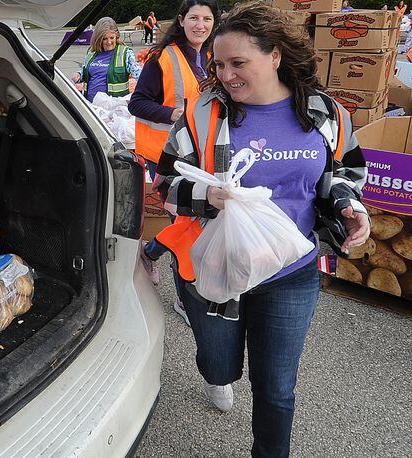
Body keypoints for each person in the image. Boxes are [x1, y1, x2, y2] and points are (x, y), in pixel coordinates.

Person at [152, 3, 370, 456]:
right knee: (218, 363)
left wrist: (349, 206)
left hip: (291, 274)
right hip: (214, 268)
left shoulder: (325, 113)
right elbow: (165, 184)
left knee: (275, 389)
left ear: (274, 56)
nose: (225, 75)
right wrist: (206, 198)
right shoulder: (204, 114)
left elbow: (344, 172)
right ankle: (215, 375)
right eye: (218, 64)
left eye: (238, 63)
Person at [129, 0, 218, 324]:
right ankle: (184, 297)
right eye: (194, 17)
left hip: (201, 156)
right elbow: (137, 103)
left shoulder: (213, 57)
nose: (200, 24)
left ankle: (150, 251)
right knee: (185, 225)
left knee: (188, 223)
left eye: (207, 18)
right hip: (165, 157)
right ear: (181, 20)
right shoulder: (162, 59)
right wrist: (172, 113)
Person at [71, 17, 142, 103]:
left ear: (117, 36)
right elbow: (86, 72)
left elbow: (139, 75)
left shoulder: (125, 53)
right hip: (90, 106)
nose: (109, 42)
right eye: (104, 39)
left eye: (112, 38)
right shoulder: (91, 53)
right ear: (98, 39)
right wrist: (79, 74)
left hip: (114, 108)